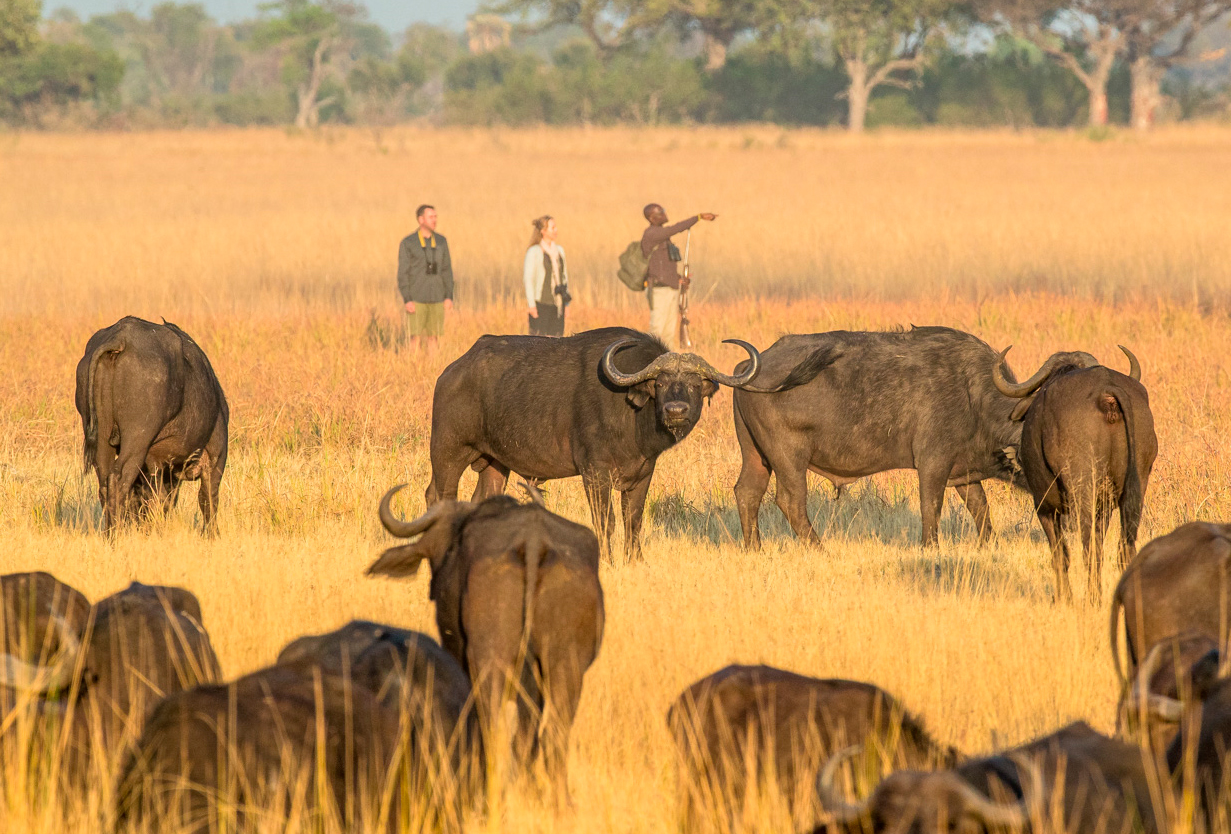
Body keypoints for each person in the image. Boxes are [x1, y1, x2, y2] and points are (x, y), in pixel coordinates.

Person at [640, 203, 717, 350]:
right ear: (652, 217)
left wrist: (678, 278)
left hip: (670, 288)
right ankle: (649, 363)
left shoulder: (661, 236)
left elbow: (663, 265)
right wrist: (698, 217)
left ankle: (667, 364)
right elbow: (676, 229)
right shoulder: (652, 234)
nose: (664, 213)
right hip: (659, 291)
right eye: (661, 212)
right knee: (656, 331)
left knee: (668, 333)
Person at [396, 204, 454, 349]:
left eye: (435, 217)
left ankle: (434, 368)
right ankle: (411, 366)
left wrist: (448, 296)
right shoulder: (409, 242)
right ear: (421, 220)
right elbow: (403, 272)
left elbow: (447, 270)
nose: (434, 220)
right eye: (430, 217)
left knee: (433, 337)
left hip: (437, 296)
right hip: (417, 297)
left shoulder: (441, 241)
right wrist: (407, 298)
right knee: (414, 336)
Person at [523, 215, 570, 336]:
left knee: (558, 342)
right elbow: (528, 280)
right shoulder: (534, 251)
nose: (556, 230)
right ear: (543, 231)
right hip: (541, 304)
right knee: (538, 342)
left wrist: (566, 304)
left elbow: (564, 277)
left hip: (558, 304)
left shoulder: (560, 251)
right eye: (552, 227)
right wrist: (531, 305)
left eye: (555, 227)